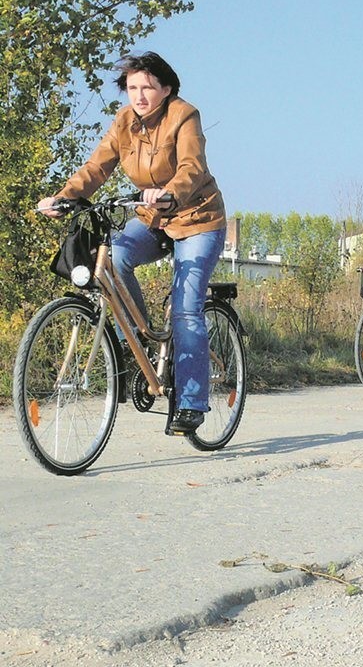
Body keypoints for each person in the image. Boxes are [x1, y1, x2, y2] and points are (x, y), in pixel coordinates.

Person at [38, 51, 226, 433]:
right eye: (132, 88)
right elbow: (97, 166)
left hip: (197, 218)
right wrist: (65, 196)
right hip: (152, 217)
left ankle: (191, 401)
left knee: (186, 309)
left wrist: (170, 193)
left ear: (166, 88)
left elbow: (192, 167)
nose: (138, 96)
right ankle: (141, 342)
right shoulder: (124, 121)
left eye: (148, 88)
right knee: (112, 260)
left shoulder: (184, 115)